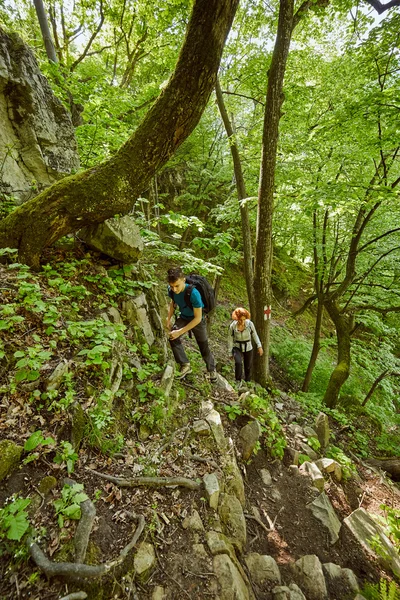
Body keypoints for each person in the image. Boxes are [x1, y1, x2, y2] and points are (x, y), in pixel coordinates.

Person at [166, 267, 217, 382]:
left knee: (203, 345)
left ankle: (211, 370)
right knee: (172, 336)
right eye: (172, 286)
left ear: (183, 280)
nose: (174, 289)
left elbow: (198, 318)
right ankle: (185, 364)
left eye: (177, 286)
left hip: (197, 320)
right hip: (184, 317)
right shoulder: (171, 290)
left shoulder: (194, 293)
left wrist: (180, 331)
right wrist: (168, 319)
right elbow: (172, 303)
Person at [228, 307, 263, 383]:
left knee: (248, 366)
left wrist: (259, 346)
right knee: (238, 363)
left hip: (248, 347)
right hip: (237, 347)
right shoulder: (232, 326)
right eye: (240, 319)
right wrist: (230, 352)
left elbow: (255, 335)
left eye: (244, 319)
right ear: (237, 319)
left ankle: (247, 381)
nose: (242, 321)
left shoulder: (250, 324)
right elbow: (230, 340)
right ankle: (238, 380)